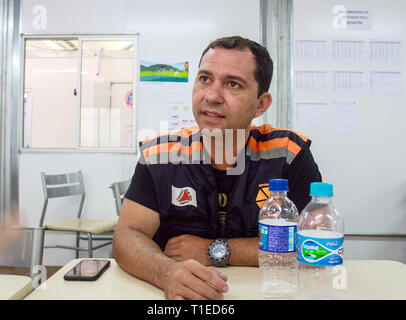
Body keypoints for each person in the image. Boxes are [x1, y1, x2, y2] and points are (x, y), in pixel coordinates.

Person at [113, 36, 321, 300]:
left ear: (261, 104)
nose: (211, 95)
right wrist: (165, 272)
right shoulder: (159, 156)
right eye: (204, 79)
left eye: (232, 84)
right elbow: (127, 235)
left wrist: (216, 249)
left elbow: (312, 246)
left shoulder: (289, 154)